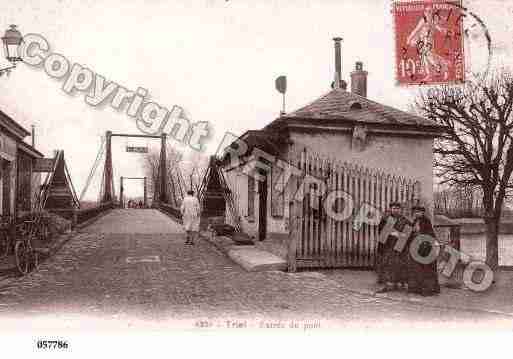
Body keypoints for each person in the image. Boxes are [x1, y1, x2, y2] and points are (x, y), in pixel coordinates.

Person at [376, 202, 412, 293]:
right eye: (394, 208)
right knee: (388, 264)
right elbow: (381, 233)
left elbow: (408, 233)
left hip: (401, 246)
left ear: (401, 210)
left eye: (397, 208)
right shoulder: (386, 219)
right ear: (390, 209)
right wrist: (391, 234)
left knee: (401, 264)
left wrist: (401, 236)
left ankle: (400, 283)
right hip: (389, 246)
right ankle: (388, 284)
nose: (395, 210)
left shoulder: (405, 220)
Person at [407, 206, 441, 296]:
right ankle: (417, 288)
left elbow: (430, 234)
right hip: (416, 248)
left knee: (427, 269)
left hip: (426, 248)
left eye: (419, 212)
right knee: (417, 269)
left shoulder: (426, 221)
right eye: (415, 212)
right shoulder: (414, 222)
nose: (417, 213)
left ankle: (429, 289)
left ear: (422, 212)